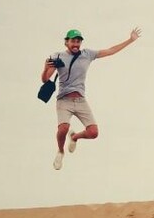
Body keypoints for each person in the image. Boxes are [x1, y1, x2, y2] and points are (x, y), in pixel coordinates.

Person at [41, 27, 141, 170]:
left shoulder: (87, 54)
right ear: (66, 42)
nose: (76, 44)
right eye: (73, 41)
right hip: (64, 100)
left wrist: (130, 40)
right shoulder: (57, 57)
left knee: (93, 133)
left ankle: (74, 137)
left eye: (78, 41)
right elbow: (45, 80)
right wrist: (45, 68)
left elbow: (110, 51)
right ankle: (60, 151)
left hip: (81, 100)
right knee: (63, 128)